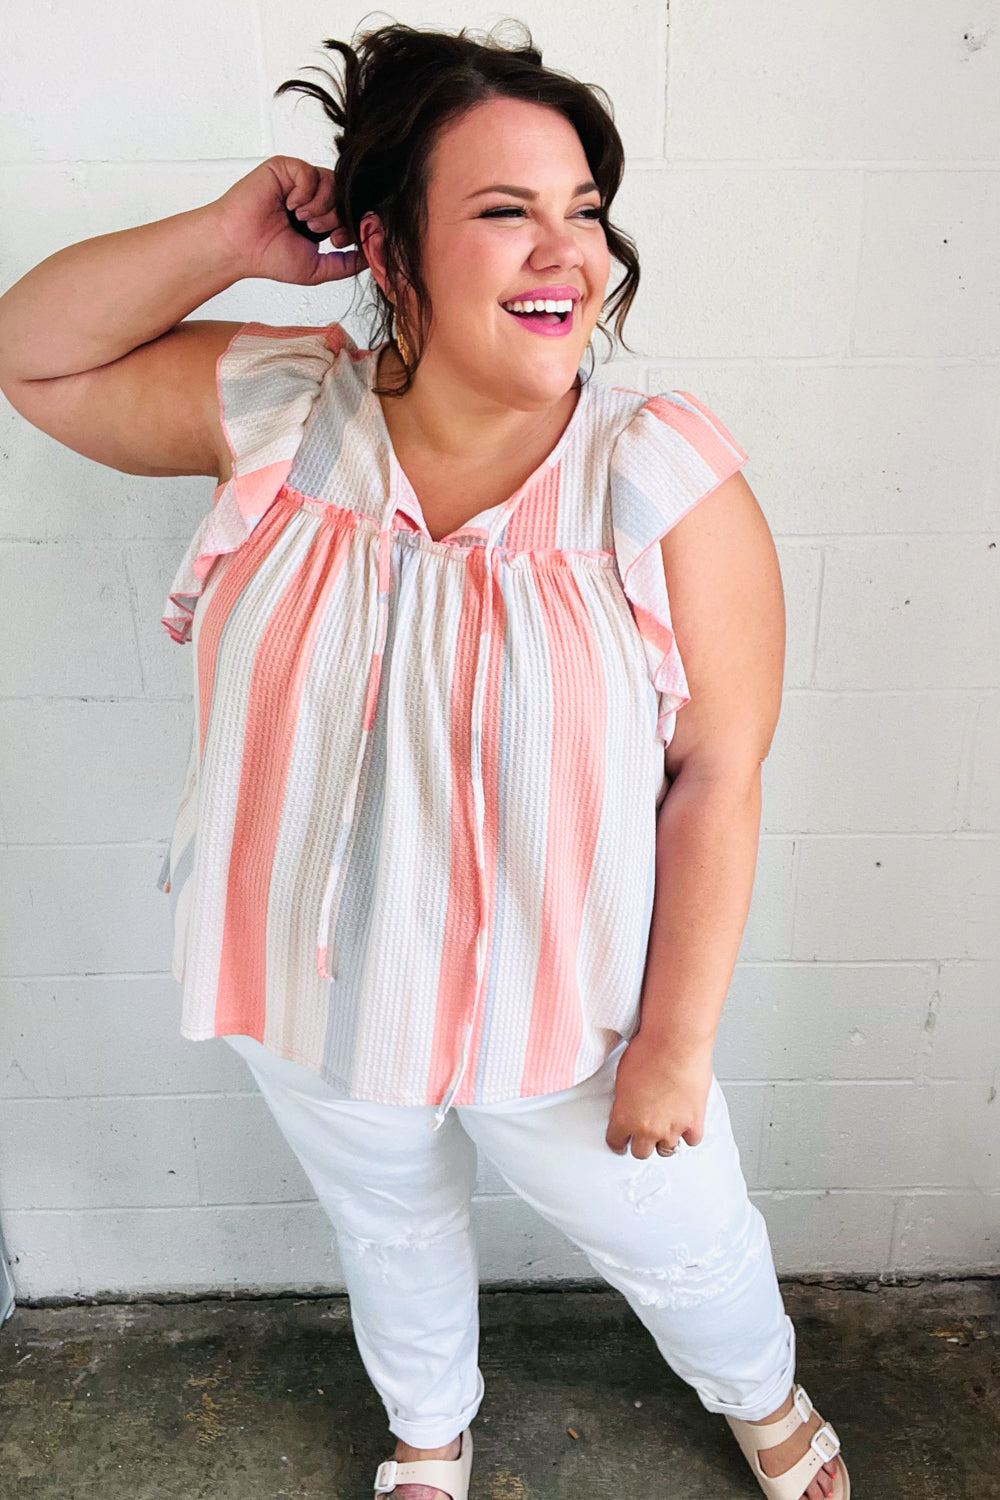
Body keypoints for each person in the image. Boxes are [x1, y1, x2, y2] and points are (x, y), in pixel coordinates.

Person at [0, 19, 850, 1500]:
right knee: (386, 1220)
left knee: (682, 1235)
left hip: (570, 1002)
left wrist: (676, 1040)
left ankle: (758, 1390)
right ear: (389, 251)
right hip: (315, 970)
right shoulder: (282, 411)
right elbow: (35, 352)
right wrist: (228, 238)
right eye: (507, 210)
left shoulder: (659, 474)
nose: (567, 252)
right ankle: (429, 1422)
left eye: (584, 210)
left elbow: (721, 769)